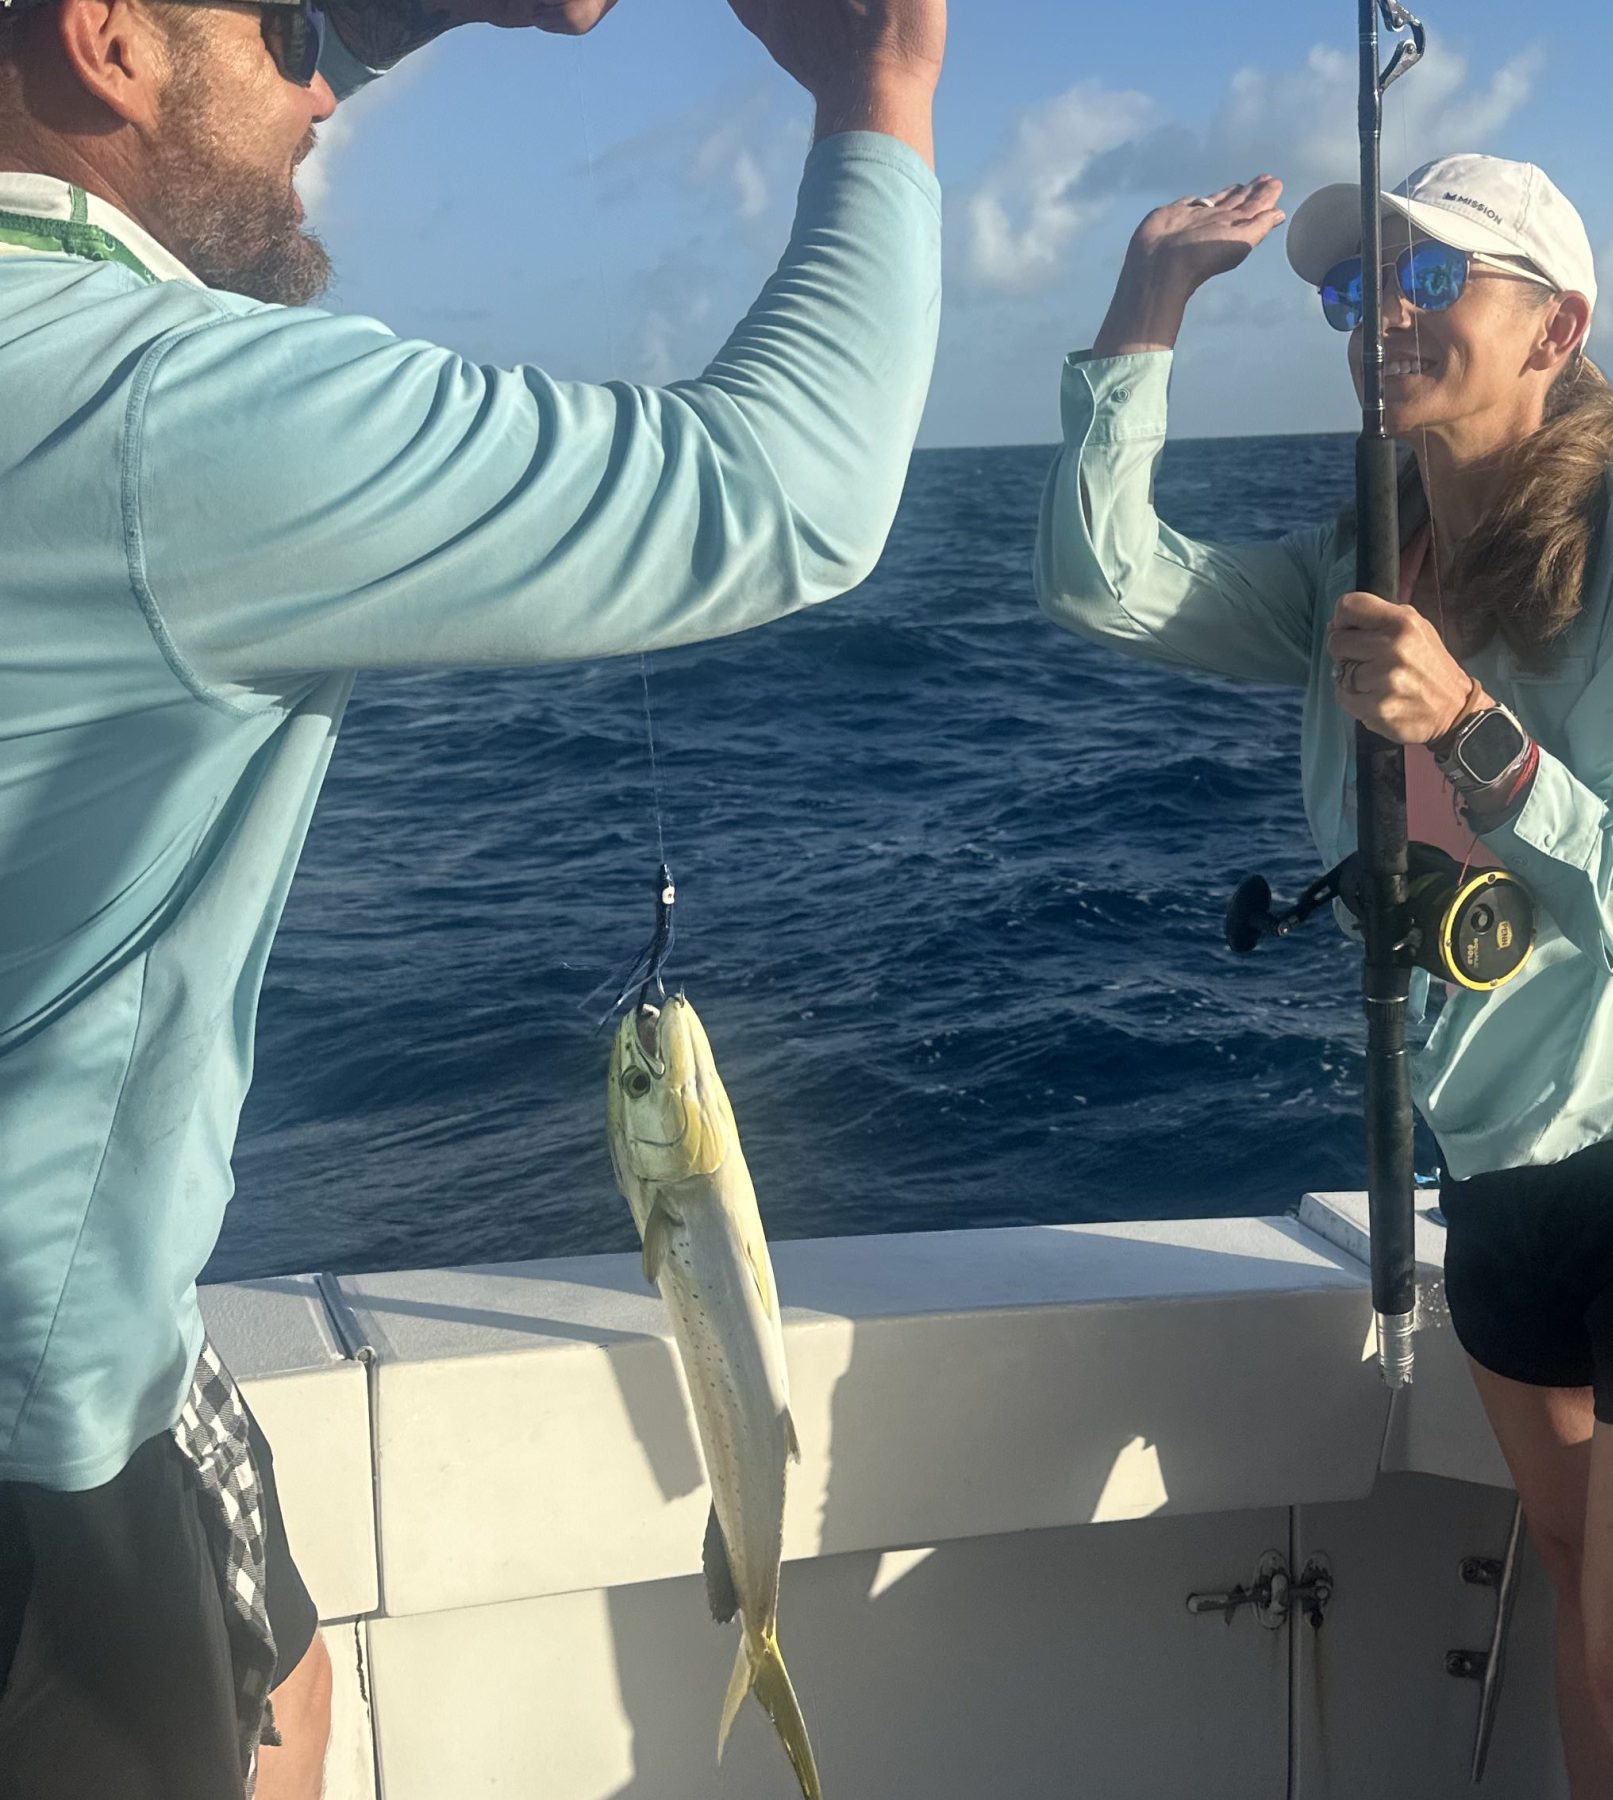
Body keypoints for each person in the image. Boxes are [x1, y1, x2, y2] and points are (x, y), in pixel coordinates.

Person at [0, 0, 945, 1790]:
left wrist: (376, 13)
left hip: (107, 1339)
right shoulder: (150, 410)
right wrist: (876, 91)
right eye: (281, 29)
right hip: (34, 1438)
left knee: (289, 1700)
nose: (317, 102)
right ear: (107, 42)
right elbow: (789, 493)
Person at [1035, 155, 1613, 1800]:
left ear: (1558, 328)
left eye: (1424, 281)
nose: (1377, 320)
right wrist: (1145, 314)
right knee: (1577, 1626)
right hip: (1503, 1180)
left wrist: (1473, 727)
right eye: (1354, 292)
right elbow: (1102, 582)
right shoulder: (1362, 563)